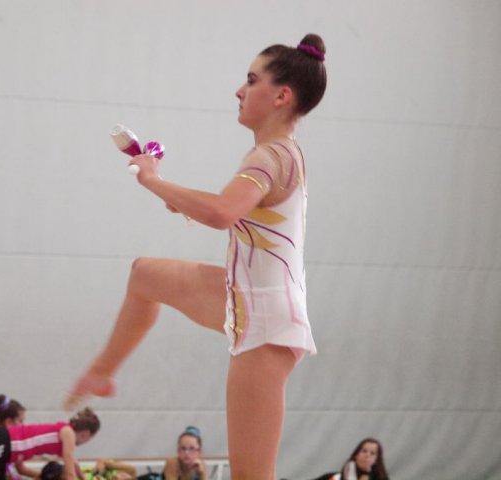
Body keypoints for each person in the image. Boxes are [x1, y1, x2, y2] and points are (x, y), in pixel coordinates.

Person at [66, 33, 327, 480]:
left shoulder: (270, 156)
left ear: (281, 96)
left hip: (266, 324)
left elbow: (222, 212)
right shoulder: (275, 153)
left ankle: (103, 371)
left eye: (251, 80)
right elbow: (234, 209)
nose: (239, 91)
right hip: (244, 298)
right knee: (145, 274)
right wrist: (176, 196)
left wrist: (152, 180)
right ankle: (102, 372)